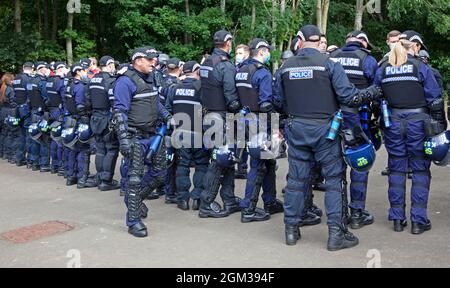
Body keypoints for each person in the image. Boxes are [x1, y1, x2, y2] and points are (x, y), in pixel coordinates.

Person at [275, 24, 381, 251]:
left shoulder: (285, 67)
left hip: (297, 127)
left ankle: (291, 230)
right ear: (319, 41)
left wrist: (288, 120)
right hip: (326, 130)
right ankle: (336, 234)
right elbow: (350, 97)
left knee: (295, 181)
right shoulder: (329, 64)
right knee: (334, 181)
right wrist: (374, 91)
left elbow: (278, 102)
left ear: (300, 40)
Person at [375, 30, 444, 234]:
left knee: (396, 168)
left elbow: (376, 97)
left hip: (393, 122)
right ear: (413, 46)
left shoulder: (384, 69)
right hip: (418, 123)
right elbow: (435, 99)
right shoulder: (420, 67)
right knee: (420, 169)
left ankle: (397, 219)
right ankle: (418, 220)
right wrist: (441, 124)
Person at [113, 47, 172, 237]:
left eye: (154, 59)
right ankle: (133, 221)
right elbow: (119, 112)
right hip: (135, 136)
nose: (154, 62)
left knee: (161, 174)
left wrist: (168, 116)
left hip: (154, 134)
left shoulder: (151, 77)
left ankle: (135, 201)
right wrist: (123, 140)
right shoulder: (125, 82)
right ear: (137, 60)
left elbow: (155, 102)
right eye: (150, 59)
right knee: (135, 178)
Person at [330, 30, 379, 229]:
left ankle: (339, 212)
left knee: (335, 164)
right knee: (360, 161)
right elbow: (376, 91)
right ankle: (357, 213)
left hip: (333, 118)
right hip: (359, 119)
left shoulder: (332, 58)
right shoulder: (368, 60)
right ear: (363, 43)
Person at [236, 38, 284, 223]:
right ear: (262, 51)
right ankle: (248, 208)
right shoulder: (262, 73)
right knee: (258, 164)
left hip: (243, 120)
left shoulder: (241, 71)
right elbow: (265, 104)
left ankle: (270, 201)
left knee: (269, 162)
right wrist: (276, 127)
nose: (269, 53)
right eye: (267, 51)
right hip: (260, 122)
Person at [199, 30, 242, 218]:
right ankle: (206, 203)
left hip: (208, 115)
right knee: (218, 161)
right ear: (228, 43)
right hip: (222, 117)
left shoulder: (206, 62)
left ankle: (229, 199)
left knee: (227, 159)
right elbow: (231, 99)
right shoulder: (226, 66)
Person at [166, 61, 210, 211]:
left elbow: (167, 109)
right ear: (197, 71)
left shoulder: (174, 88)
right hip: (199, 134)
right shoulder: (201, 88)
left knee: (182, 166)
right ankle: (197, 199)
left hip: (179, 134)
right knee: (201, 166)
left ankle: (182, 200)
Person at [88, 56, 121, 191]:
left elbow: (87, 100)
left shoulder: (92, 80)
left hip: (95, 118)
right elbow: (115, 101)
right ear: (109, 65)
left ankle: (101, 177)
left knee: (101, 149)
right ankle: (106, 181)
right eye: (113, 64)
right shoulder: (110, 81)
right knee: (111, 149)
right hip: (107, 117)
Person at [64, 63, 98, 188]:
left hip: (71, 119)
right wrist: (85, 118)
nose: (86, 72)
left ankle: (71, 176)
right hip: (80, 120)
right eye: (85, 70)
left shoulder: (69, 85)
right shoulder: (80, 87)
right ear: (78, 72)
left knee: (73, 148)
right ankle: (82, 178)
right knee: (84, 149)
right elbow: (80, 105)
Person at [28, 62, 51, 172]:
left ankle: (34, 162)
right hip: (42, 113)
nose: (47, 70)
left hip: (33, 112)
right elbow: (46, 98)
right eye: (45, 68)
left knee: (35, 138)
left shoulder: (30, 81)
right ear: (41, 69)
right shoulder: (42, 82)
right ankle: (44, 164)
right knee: (44, 140)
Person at [47, 62, 67, 174]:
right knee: (61, 142)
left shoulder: (49, 81)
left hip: (52, 111)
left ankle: (54, 165)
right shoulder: (59, 81)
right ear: (60, 69)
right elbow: (65, 98)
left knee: (54, 139)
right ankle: (61, 167)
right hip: (60, 112)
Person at [12, 62, 34, 167]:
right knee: (28, 135)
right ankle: (29, 159)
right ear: (31, 69)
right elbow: (30, 94)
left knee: (22, 135)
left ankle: (19, 158)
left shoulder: (16, 78)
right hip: (26, 109)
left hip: (18, 108)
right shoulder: (27, 79)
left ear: (23, 68)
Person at [235, 44, 251, 179]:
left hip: (248, 109)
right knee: (240, 139)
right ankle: (241, 167)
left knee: (246, 139)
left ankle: (243, 167)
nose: (237, 56)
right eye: (236, 53)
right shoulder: (236, 68)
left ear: (247, 53)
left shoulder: (249, 68)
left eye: (240, 53)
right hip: (238, 109)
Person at [0, 73, 16, 162]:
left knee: (4, 133)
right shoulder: (11, 90)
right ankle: (10, 154)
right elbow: (13, 102)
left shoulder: (2, 88)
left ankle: (3, 152)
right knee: (11, 133)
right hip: (9, 112)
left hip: (2, 112)